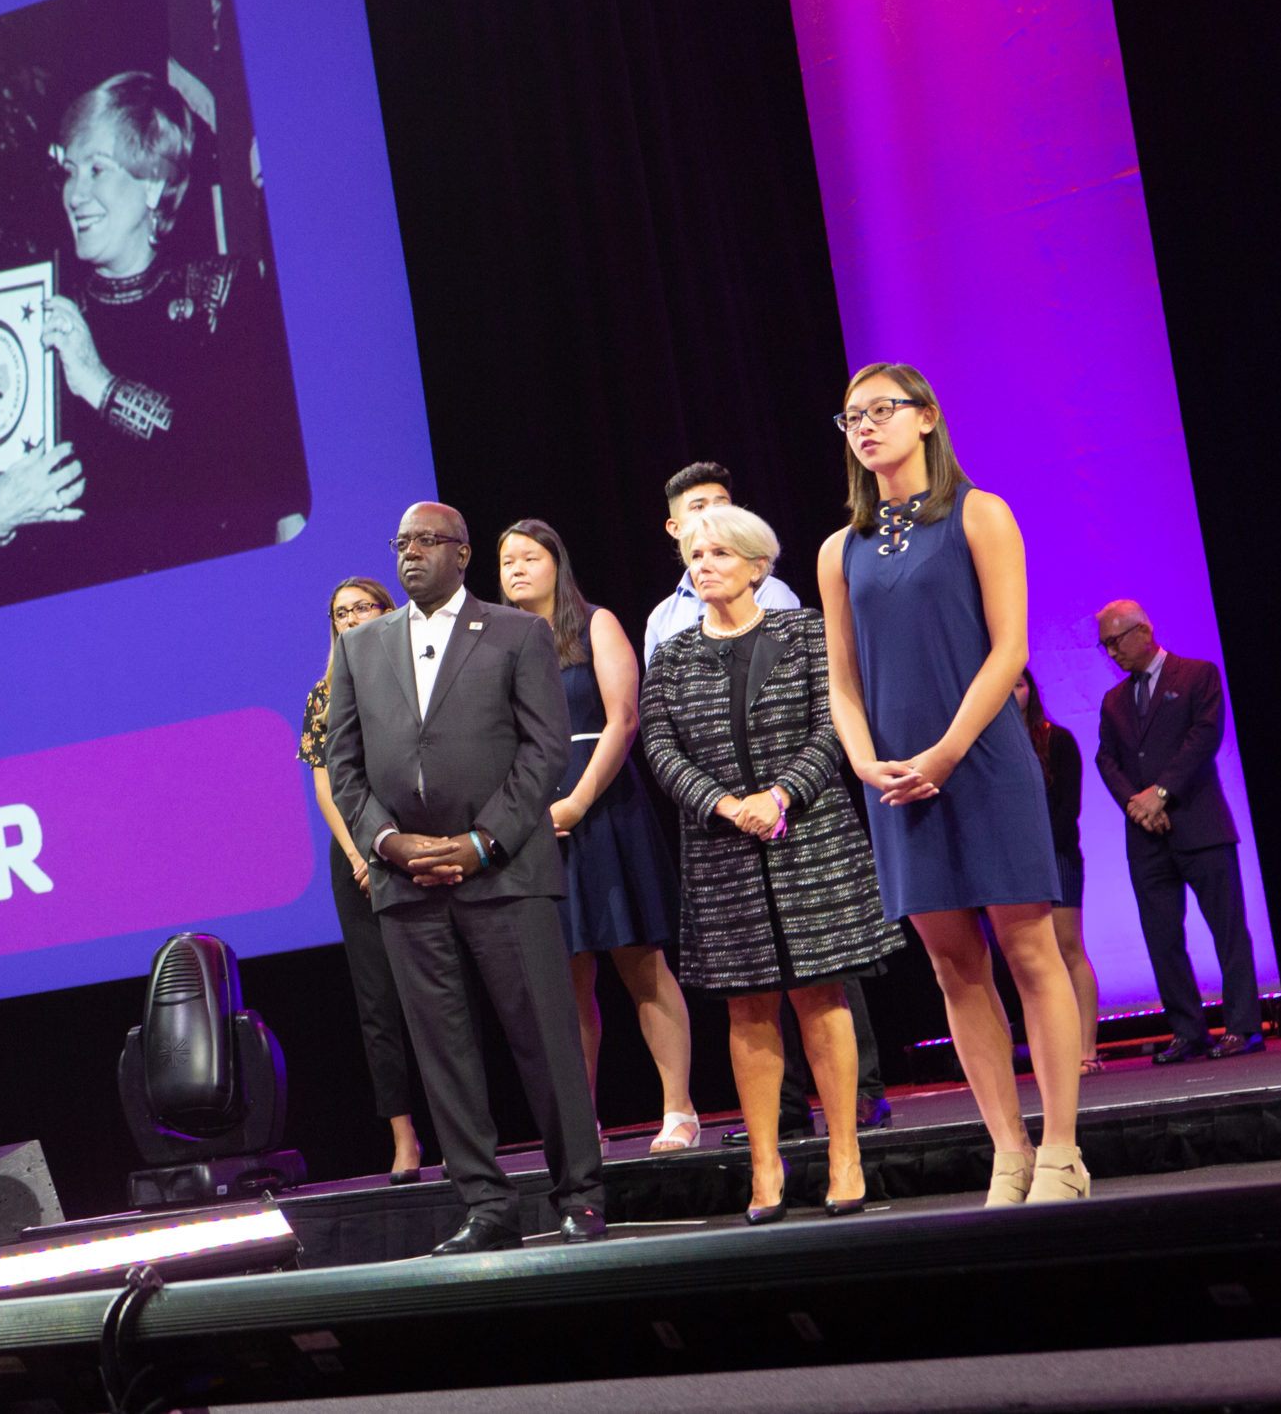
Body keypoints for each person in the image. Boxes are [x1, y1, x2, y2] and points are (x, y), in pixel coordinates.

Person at [819, 363, 1087, 1204]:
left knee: (1029, 948)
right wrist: (864, 757)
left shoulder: (980, 514)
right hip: (895, 775)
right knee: (952, 964)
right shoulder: (840, 548)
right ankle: (1007, 1149)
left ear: (927, 418)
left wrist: (946, 750)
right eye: (852, 417)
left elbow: (1010, 651)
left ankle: (1061, 1149)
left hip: (982, 759)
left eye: (881, 411)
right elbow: (842, 680)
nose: (865, 427)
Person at [323, 502, 606, 1252]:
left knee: (544, 1040)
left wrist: (483, 841)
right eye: (401, 542)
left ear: (462, 553)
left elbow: (544, 751)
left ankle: (580, 1192)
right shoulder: (358, 650)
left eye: (426, 541)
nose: (410, 554)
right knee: (443, 1053)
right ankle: (486, 1204)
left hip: (503, 871)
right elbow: (343, 768)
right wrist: (389, 841)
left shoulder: (517, 632)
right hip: (406, 882)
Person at [0, 72, 304, 603]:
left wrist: (98, 382)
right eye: (69, 171)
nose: (75, 193)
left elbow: (238, 467)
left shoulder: (223, 293)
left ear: (154, 183)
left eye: (97, 169)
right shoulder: (36, 321)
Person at [643, 507, 896, 1220]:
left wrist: (783, 793)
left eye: (719, 551)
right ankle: (766, 1165)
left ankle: (845, 1154)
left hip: (809, 838)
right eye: (695, 554)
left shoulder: (807, 632)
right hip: (722, 850)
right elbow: (660, 750)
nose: (703, 563)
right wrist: (726, 804)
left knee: (823, 995)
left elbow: (836, 722)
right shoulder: (670, 657)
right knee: (748, 1009)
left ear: (758, 564)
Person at [497, 519, 699, 1152]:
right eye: (507, 563)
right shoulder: (496, 644)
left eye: (530, 557)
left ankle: (679, 1109)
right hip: (534, 822)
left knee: (640, 963)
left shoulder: (594, 623)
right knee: (565, 980)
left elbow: (624, 718)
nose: (518, 570)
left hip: (602, 808)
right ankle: (582, 1127)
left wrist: (580, 800)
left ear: (558, 564)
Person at [1093, 601, 1264, 1062]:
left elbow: (1204, 738)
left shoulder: (1197, 675)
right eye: (1104, 644)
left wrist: (1160, 793)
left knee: (1228, 930)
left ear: (1144, 631)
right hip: (1147, 838)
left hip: (1200, 825)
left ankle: (1244, 1027)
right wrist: (1136, 803)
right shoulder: (1114, 700)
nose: (1111, 652)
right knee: (1162, 938)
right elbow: (1105, 759)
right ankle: (1189, 1031)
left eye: (1116, 641)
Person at [299, 575, 423, 1181]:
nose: (351, 619)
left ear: (386, 610)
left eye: (362, 608)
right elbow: (326, 789)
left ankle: (462, 1127)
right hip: (357, 859)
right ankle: (404, 1139)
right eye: (340, 612)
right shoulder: (323, 696)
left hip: (420, 846)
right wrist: (358, 856)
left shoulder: (415, 677)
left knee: (435, 995)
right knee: (379, 1004)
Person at [1015, 667, 1102, 1072]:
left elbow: (1069, 811)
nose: (1013, 694)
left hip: (1057, 856)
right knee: (1030, 957)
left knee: (1068, 948)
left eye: (1019, 685)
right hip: (1012, 868)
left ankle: (1087, 1050)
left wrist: (1039, 852)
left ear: (1031, 690)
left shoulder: (1057, 739)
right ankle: (1052, 1054)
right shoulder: (989, 748)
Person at [642, 462, 802, 668]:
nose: (712, 515)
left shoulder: (771, 592)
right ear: (675, 528)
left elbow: (787, 676)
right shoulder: (662, 617)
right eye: (698, 507)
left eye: (720, 505)